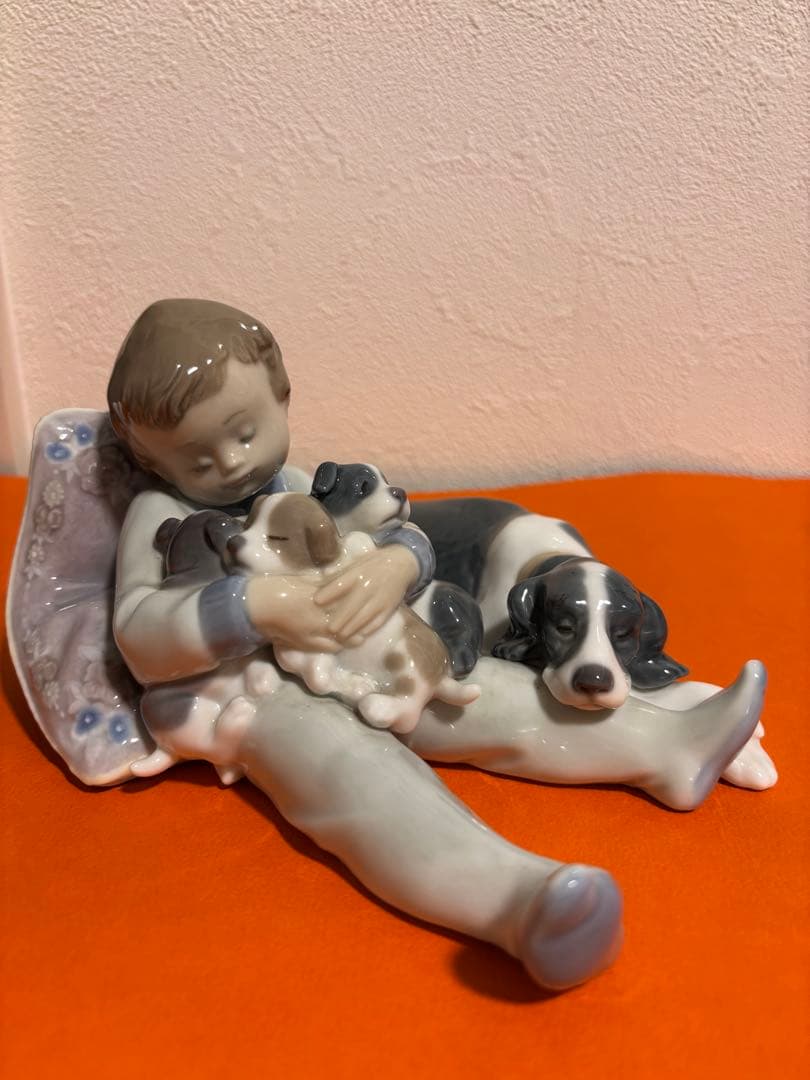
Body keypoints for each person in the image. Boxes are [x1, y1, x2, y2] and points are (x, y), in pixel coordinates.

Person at [108, 298, 766, 992]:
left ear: (282, 396)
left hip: (372, 660)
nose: (232, 463)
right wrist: (255, 606)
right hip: (261, 697)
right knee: (356, 772)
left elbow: (399, 531)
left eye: (245, 432)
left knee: (487, 694)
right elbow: (140, 633)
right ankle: (520, 904)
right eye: (196, 458)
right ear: (152, 460)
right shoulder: (160, 515)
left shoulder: (295, 485)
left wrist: (397, 563)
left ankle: (669, 746)